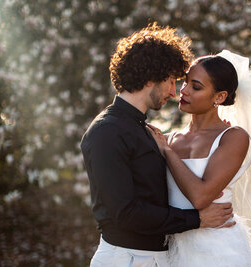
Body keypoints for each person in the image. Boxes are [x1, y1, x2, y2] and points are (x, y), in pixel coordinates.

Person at [80, 24, 235, 267]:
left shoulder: (144, 130)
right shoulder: (106, 132)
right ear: (152, 76)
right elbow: (126, 213)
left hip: (154, 258)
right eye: (172, 81)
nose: (174, 92)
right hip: (125, 259)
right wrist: (196, 220)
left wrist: (212, 131)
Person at [148, 50, 251, 266]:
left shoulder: (233, 138)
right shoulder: (168, 138)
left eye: (196, 86)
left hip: (219, 251)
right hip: (173, 250)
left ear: (219, 97)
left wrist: (168, 153)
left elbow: (200, 198)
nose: (184, 91)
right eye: (186, 82)